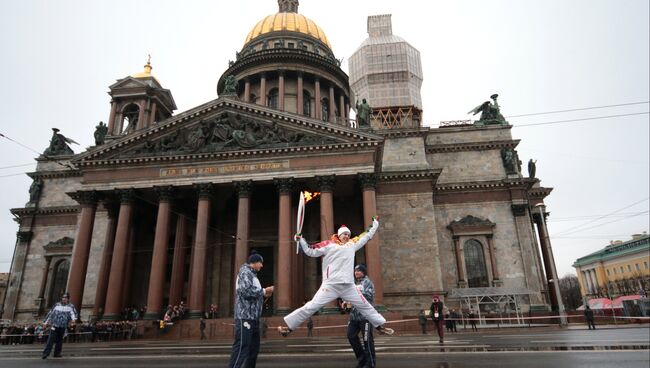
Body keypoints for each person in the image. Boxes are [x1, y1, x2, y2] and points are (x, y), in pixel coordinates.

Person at [277, 217, 394, 337]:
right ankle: (289, 328)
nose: (347, 236)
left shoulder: (352, 245)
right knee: (311, 306)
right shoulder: (329, 245)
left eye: (348, 234)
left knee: (365, 305)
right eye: (344, 234)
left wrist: (375, 223)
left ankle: (380, 326)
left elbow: (367, 236)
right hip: (330, 285)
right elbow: (310, 251)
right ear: (339, 235)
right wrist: (300, 239)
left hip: (348, 286)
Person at [228, 252, 274, 368]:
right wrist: (264, 291)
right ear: (254, 262)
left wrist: (263, 295)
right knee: (242, 347)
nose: (262, 266)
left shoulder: (252, 275)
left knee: (253, 350)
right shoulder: (245, 272)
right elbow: (245, 291)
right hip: (245, 317)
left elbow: (252, 293)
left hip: (253, 318)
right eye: (260, 263)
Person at [347, 264, 377, 368]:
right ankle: (362, 359)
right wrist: (347, 301)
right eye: (355, 271)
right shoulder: (354, 283)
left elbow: (369, 296)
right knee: (351, 336)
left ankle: (370, 363)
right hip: (354, 317)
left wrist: (358, 292)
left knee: (367, 340)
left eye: (359, 271)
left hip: (365, 317)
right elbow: (351, 297)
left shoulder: (367, 282)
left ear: (363, 272)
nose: (356, 272)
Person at [41, 292, 77, 359]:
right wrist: (45, 323)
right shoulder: (57, 305)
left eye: (65, 298)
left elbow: (73, 314)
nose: (64, 299)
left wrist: (73, 320)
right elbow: (50, 314)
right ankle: (45, 353)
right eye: (63, 297)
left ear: (68, 299)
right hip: (55, 325)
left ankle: (57, 353)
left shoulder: (71, 306)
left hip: (63, 326)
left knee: (60, 341)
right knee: (50, 340)